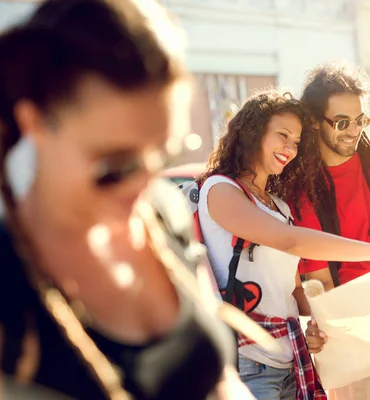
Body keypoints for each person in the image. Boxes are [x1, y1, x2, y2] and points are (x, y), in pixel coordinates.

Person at [0, 0, 249, 399]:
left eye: (164, 152)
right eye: (116, 164)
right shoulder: (8, 279)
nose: (144, 182)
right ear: (35, 123)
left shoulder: (163, 214)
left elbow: (218, 380)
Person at [190, 89, 370, 400]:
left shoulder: (280, 207)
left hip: (290, 361)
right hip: (249, 363)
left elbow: (292, 290)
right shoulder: (220, 189)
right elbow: (290, 242)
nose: (290, 148)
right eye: (282, 135)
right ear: (253, 133)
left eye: (296, 141)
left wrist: (316, 326)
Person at [288, 62, 370, 400]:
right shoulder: (304, 192)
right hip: (356, 341)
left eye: (360, 120)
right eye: (342, 122)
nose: (353, 130)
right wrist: (318, 328)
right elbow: (321, 283)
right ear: (315, 120)